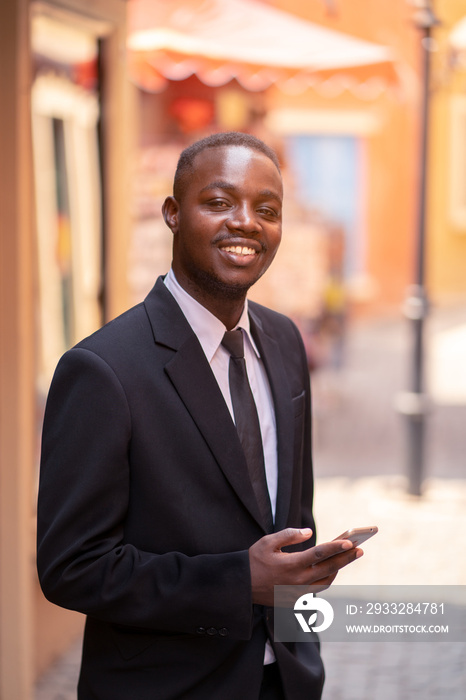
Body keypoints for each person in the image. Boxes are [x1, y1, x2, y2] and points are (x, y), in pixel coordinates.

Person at [37, 132, 362, 700]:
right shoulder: (102, 369)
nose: (246, 222)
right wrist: (241, 582)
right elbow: (73, 567)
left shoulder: (286, 342)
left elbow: (291, 517)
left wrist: (302, 633)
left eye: (268, 210)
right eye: (218, 202)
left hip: (284, 680)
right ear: (172, 214)